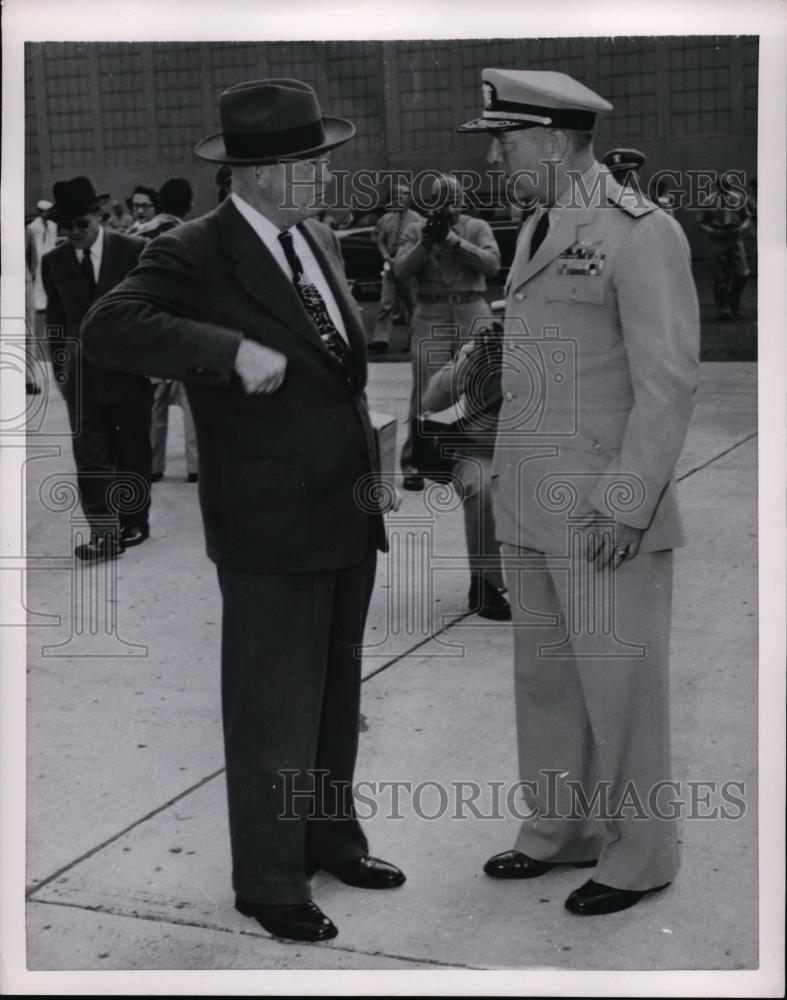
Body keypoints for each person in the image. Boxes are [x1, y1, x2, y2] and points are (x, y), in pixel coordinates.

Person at [82, 78, 403, 944]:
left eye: (324, 159)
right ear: (259, 174)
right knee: (272, 709)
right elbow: (110, 327)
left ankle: (329, 840)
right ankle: (267, 880)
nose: (325, 175)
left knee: (333, 696)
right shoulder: (195, 249)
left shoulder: (317, 238)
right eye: (310, 163)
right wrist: (224, 351)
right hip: (267, 523)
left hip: (343, 511)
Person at [459, 68, 699, 915]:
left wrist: (626, 504)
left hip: (602, 509)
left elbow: (667, 382)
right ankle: (559, 832)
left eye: (504, 139)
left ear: (556, 141)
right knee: (547, 681)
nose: (494, 157)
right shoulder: (539, 225)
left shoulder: (640, 232)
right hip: (530, 499)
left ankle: (641, 857)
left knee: (621, 690)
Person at [41, 176, 153, 560]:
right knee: (89, 454)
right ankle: (104, 534)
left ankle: (135, 521)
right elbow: (55, 320)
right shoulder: (53, 262)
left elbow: (151, 310)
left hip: (128, 371)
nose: (74, 232)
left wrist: (152, 360)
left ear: (99, 216)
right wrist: (61, 370)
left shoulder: (134, 250)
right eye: (66, 226)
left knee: (132, 449)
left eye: (81, 224)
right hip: (81, 375)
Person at [393, 173, 501, 492]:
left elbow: (492, 264)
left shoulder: (477, 227)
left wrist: (455, 242)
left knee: (484, 384)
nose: (450, 206)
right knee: (426, 389)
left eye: (454, 199)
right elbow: (401, 271)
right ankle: (415, 461)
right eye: (442, 200)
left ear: (463, 200)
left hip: (472, 308)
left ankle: (479, 453)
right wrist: (426, 244)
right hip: (432, 312)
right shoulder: (416, 230)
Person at [420, 323, 510, 620]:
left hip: (533, 452)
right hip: (479, 450)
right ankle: (485, 584)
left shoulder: (554, 348)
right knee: (482, 486)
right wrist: (469, 360)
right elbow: (432, 401)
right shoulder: (480, 350)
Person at [137, 177, 200, 483]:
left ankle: (153, 464)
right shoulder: (193, 235)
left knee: (155, 401)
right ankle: (195, 466)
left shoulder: (138, 234)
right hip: (185, 324)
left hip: (150, 323)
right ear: (189, 204)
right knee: (191, 401)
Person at [366, 182, 420, 356]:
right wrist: (385, 256)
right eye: (397, 195)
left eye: (405, 194)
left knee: (413, 305)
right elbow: (380, 239)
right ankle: (380, 340)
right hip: (391, 266)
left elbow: (421, 245)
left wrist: (409, 259)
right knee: (386, 304)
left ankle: (412, 340)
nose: (400, 198)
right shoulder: (386, 219)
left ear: (409, 198)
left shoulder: (417, 220)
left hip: (409, 266)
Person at [697, 173, 752, 319]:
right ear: (717, 185)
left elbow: (747, 217)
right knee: (720, 277)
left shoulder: (739, 197)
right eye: (723, 185)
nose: (726, 187)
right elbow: (700, 223)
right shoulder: (708, 200)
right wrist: (713, 231)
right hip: (718, 238)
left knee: (743, 273)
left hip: (735, 238)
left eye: (729, 185)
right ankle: (724, 308)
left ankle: (734, 302)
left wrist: (743, 228)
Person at [27, 198, 58, 310]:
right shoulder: (33, 226)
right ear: (39, 212)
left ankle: (50, 302)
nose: (46, 214)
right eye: (44, 212)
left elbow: (53, 240)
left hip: (51, 254)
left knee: (51, 279)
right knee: (39, 279)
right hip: (39, 255)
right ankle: (39, 303)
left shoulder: (53, 225)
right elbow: (32, 244)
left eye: (48, 211)